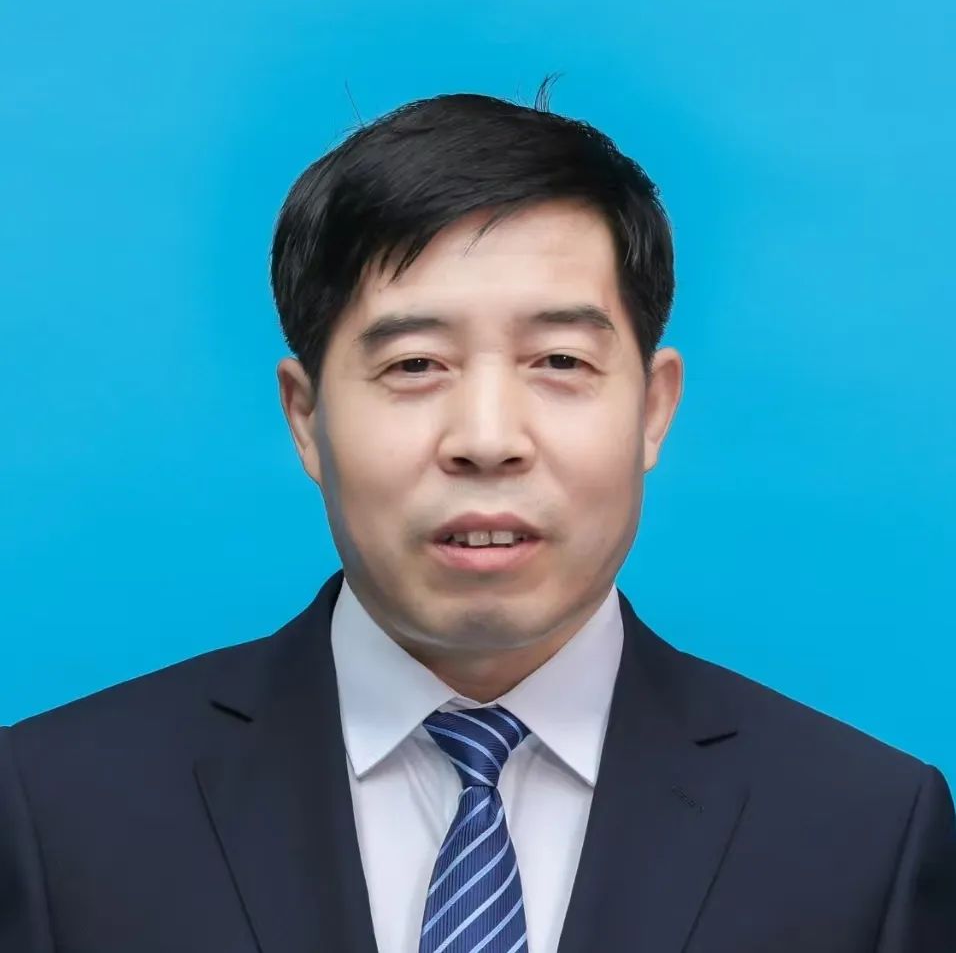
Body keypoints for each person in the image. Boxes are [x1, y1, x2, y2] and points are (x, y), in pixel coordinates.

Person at [1, 79, 954, 953]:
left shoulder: (866, 832)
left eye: (560, 362)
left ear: (653, 409)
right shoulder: (52, 813)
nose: (488, 439)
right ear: (305, 417)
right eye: (415, 365)